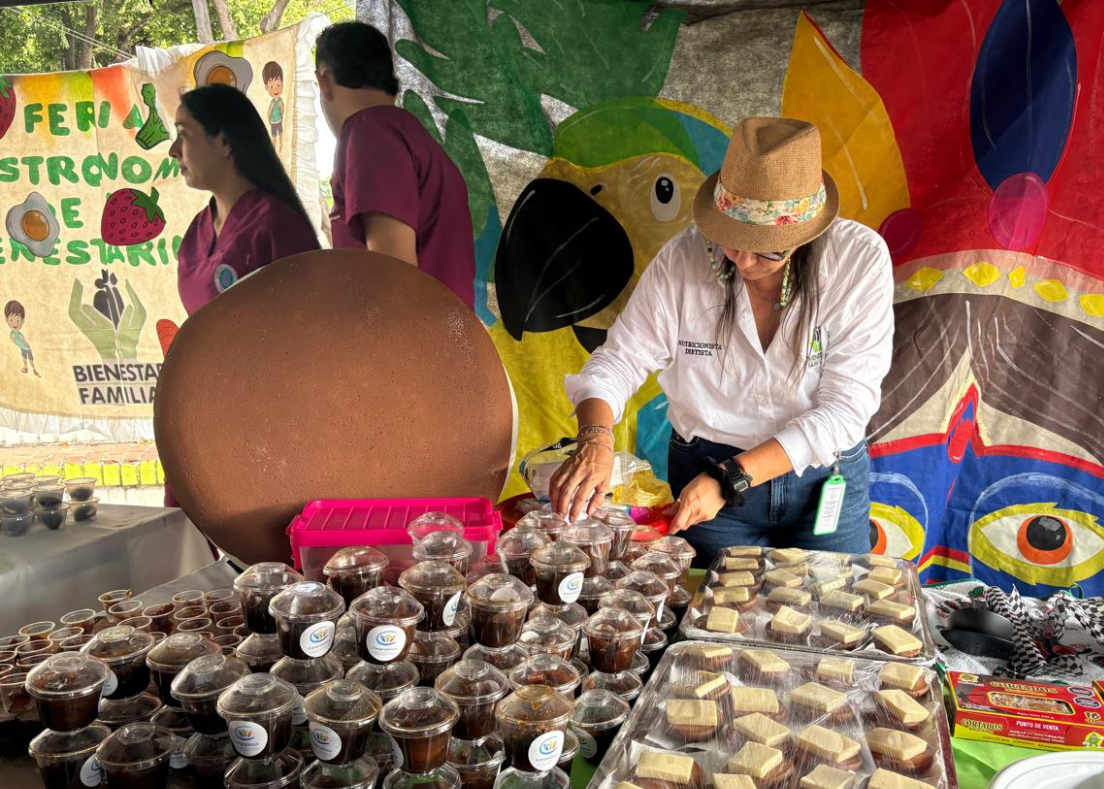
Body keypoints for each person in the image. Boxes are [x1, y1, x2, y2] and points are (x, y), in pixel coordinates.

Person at [549, 118, 895, 564]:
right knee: (712, 619)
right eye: (732, 241)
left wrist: (731, 477)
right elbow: (620, 361)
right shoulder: (683, 259)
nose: (745, 260)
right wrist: (595, 438)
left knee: (832, 615)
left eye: (768, 248)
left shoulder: (857, 261)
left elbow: (845, 410)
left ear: (806, 235)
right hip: (707, 477)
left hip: (821, 479)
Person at [314, 21, 475, 309]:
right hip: (446, 338)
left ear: (324, 81)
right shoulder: (408, 132)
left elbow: (393, 276)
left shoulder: (369, 133)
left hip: (413, 343)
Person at [169, 84, 319, 315]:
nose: (173, 150)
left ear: (224, 143)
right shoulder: (196, 232)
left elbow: (311, 322)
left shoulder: (277, 225)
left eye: (183, 134)